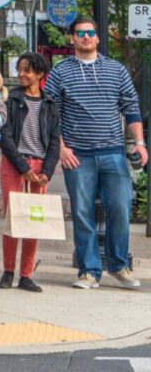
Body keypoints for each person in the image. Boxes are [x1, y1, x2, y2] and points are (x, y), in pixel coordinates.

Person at [44, 17, 146, 290]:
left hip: (113, 153)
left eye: (90, 32)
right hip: (78, 156)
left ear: (97, 38)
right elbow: (50, 115)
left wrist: (140, 143)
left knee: (121, 208)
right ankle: (89, 271)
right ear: (72, 39)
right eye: (80, 33)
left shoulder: (116, 70)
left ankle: (118, 265)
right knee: (82, 212)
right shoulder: (60, 72)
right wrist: (62, 148)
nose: (86, 37)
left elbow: (131, 108)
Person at [0, 52, 60, 292]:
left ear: (40, 73)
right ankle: (8, 271)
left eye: (27, 70)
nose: (22, 74)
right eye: (20, 69)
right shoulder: (11, 100)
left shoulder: (50, 104)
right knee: (12, 219)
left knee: (34, 220)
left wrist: (47, 171)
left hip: (39, 167)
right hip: (15, 165)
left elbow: (55, 141)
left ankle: (26, 274)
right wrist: (22, 167)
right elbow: (5, 136)